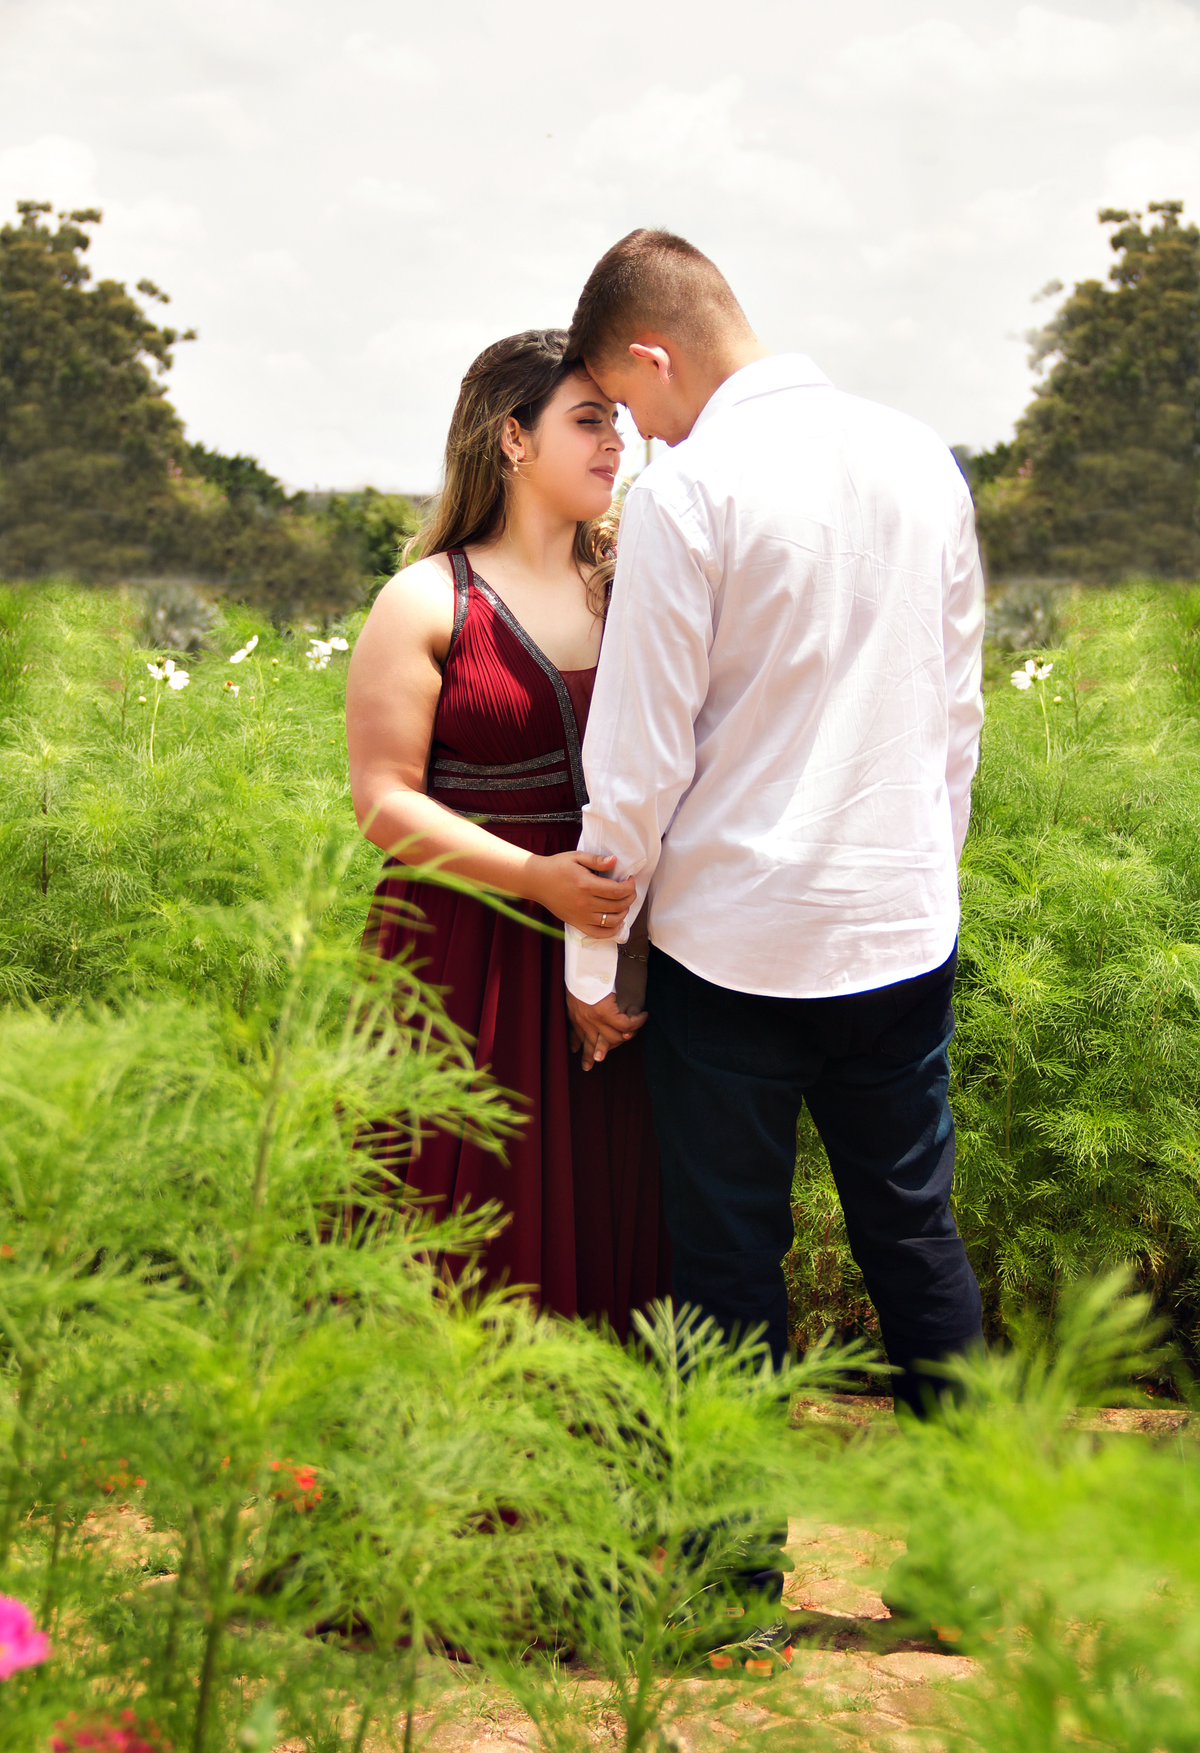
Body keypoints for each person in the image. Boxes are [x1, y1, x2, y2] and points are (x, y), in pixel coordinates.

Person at [561, 230, 985, 1414]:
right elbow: (957, 714)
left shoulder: (687, 492)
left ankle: (731, 1584)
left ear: (654, 355)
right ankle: (983, 1567)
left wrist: (596, 954)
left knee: (728, 1267)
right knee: (914, 1241)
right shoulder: (919, 458)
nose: (636, 434)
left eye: (625, 405)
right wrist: (915, 883)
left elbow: (636, 760)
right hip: (899, 937)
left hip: (731, 950)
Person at [346, 328, 668, 1339]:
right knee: (468, 1223)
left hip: (617, 948)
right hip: (460, 958)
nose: (615, 442)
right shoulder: (425, 599)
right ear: (512, 440)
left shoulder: (639, 589)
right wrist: (540, 882)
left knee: (622, 1214)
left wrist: (619, 946)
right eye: (587, 420)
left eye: (617, 420)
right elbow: (384, 802)